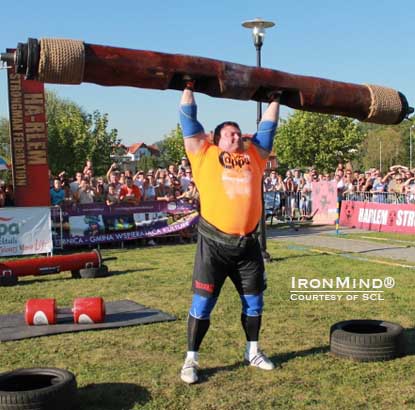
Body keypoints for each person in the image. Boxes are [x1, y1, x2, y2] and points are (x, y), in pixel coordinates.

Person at [178, 79, 280, 384]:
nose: (238, 136)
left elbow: (267, 130)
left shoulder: (254, 157)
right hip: (214, 245)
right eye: (231, 133)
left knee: (255, 302)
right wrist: (188, 84)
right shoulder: (202, 153)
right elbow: (187, 119)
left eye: (239, 132)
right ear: (216, 138)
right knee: (203, 304)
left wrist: (277, 97)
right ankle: (191, 361)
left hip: (248, 245)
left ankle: (253, 352)